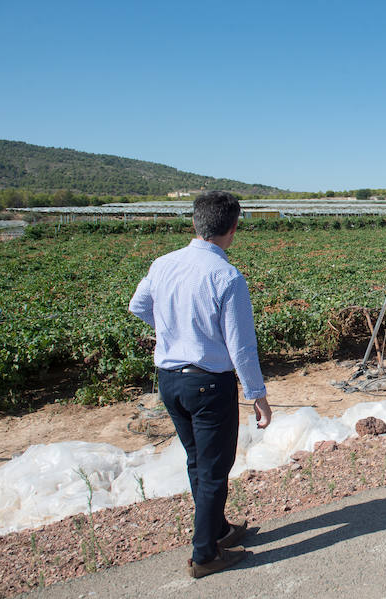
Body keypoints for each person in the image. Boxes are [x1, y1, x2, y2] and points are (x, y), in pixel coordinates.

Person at [129, 190, 273, 577]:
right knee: (214, 469)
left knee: (198, 461)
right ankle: (205, 554)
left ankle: (219, 529)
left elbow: (138, 306)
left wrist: (175, 332)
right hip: (208, 385)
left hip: (170, 382)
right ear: (233, 228)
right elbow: (241, 347)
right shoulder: (226, 276)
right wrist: (258, 396)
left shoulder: (163, 264)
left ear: (195, 223)